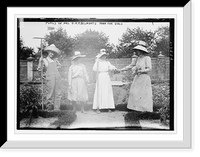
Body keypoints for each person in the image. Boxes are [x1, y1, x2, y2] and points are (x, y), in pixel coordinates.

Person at [120, 41, 153, 112]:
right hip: (137, 78)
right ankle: (136, 109)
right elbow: (131, 65)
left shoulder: (147, 58)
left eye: (138, 50)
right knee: (134, 92)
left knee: (143, 93)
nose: (137, 52)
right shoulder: (137, 59)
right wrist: (122, 69)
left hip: (144, 78)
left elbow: (149, 68)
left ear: (142, 51)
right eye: (137, 50)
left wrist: (140, 71)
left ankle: (144, 110)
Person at [37, 44, 62, 111]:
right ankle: (49, 109)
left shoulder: (55, 60)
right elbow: (40, 69)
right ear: (48, 52)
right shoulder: (44, 59)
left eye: (53, 52)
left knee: (58, 93)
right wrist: (43, 74)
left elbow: (59, 66)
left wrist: (56, 65)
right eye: (51, 52)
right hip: (50, 77)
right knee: (50, 93)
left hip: (57, 76)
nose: (52, 54)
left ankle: (57, 109)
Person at [92, 49, 117, 114]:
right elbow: (94, 69)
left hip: (106, 77)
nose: (104, 57)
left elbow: (111, 67)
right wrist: (96, 61)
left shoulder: (107, 62)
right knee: (100, 91)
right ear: (100, 56)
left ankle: (108, 107)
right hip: (100, 77)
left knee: (107, 91)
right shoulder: (97, 62)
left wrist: (114, 68)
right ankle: (98, 107)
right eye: (103, 56)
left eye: (105, 55)